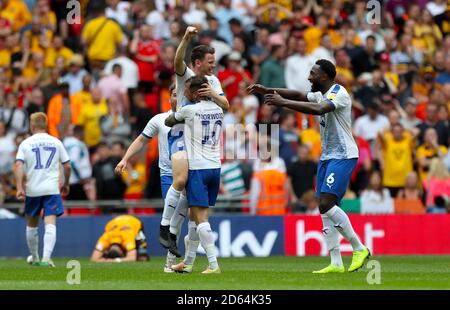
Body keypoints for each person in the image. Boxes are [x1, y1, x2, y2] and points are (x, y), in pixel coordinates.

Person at [248, 59, 370, 273]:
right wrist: (268, 89)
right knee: (324, 208)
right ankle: (336, 262)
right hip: (326, 157)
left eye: (313, 73)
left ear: (324, 77)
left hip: (343, 155)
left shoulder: (338, 93)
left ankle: (359, 248)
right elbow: (296, 94)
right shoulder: (320, 92)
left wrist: (282, 103)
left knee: (326, 203)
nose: (309, 77)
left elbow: (319, 108)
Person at [158, 26, 228, 256]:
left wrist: (212, 94)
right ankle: (164, 225)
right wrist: (186, 38)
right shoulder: (186, 75)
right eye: (210, 61)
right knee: (181, 179)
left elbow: (225, 105)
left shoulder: (213, 81)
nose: (213, 65)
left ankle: (175, 244)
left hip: (197, 138)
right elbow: (177, 60)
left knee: (190, 201)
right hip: (180, 132)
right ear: (197, 63)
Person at [115, 84, 188, 272]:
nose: (176, 99)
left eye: (180, 95)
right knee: (176, 219)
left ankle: (187, 259)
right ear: (169, 97)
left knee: (185, 218)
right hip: (168, 174)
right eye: (173, 95)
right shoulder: (159, 119)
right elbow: (141, 139)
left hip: (191, 172)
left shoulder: (192, 117)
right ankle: (171, 263)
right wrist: (125, 159)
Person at [166, 75, 224, 274]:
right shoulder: (218, 109)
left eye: (188, 90)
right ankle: (188, 262)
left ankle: (213, 264)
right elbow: (225, 103)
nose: (185, 93)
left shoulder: (189, 110)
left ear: (197, 92)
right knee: (195, 218)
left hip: (198, 169)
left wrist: (178, 109)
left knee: (200, 219)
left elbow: (168, 121)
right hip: (215, 167)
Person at [14, 112, 71, 267]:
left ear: (32, 126)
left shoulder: (25, 144)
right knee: (50, 222)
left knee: (32, 224)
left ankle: (35, 257)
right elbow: (67, 166)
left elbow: (18, 165)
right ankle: (46, 258)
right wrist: (66, 183)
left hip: (33, 188)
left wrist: (19, 188)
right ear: (45, 125)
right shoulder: (56, 142)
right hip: (51, 188)